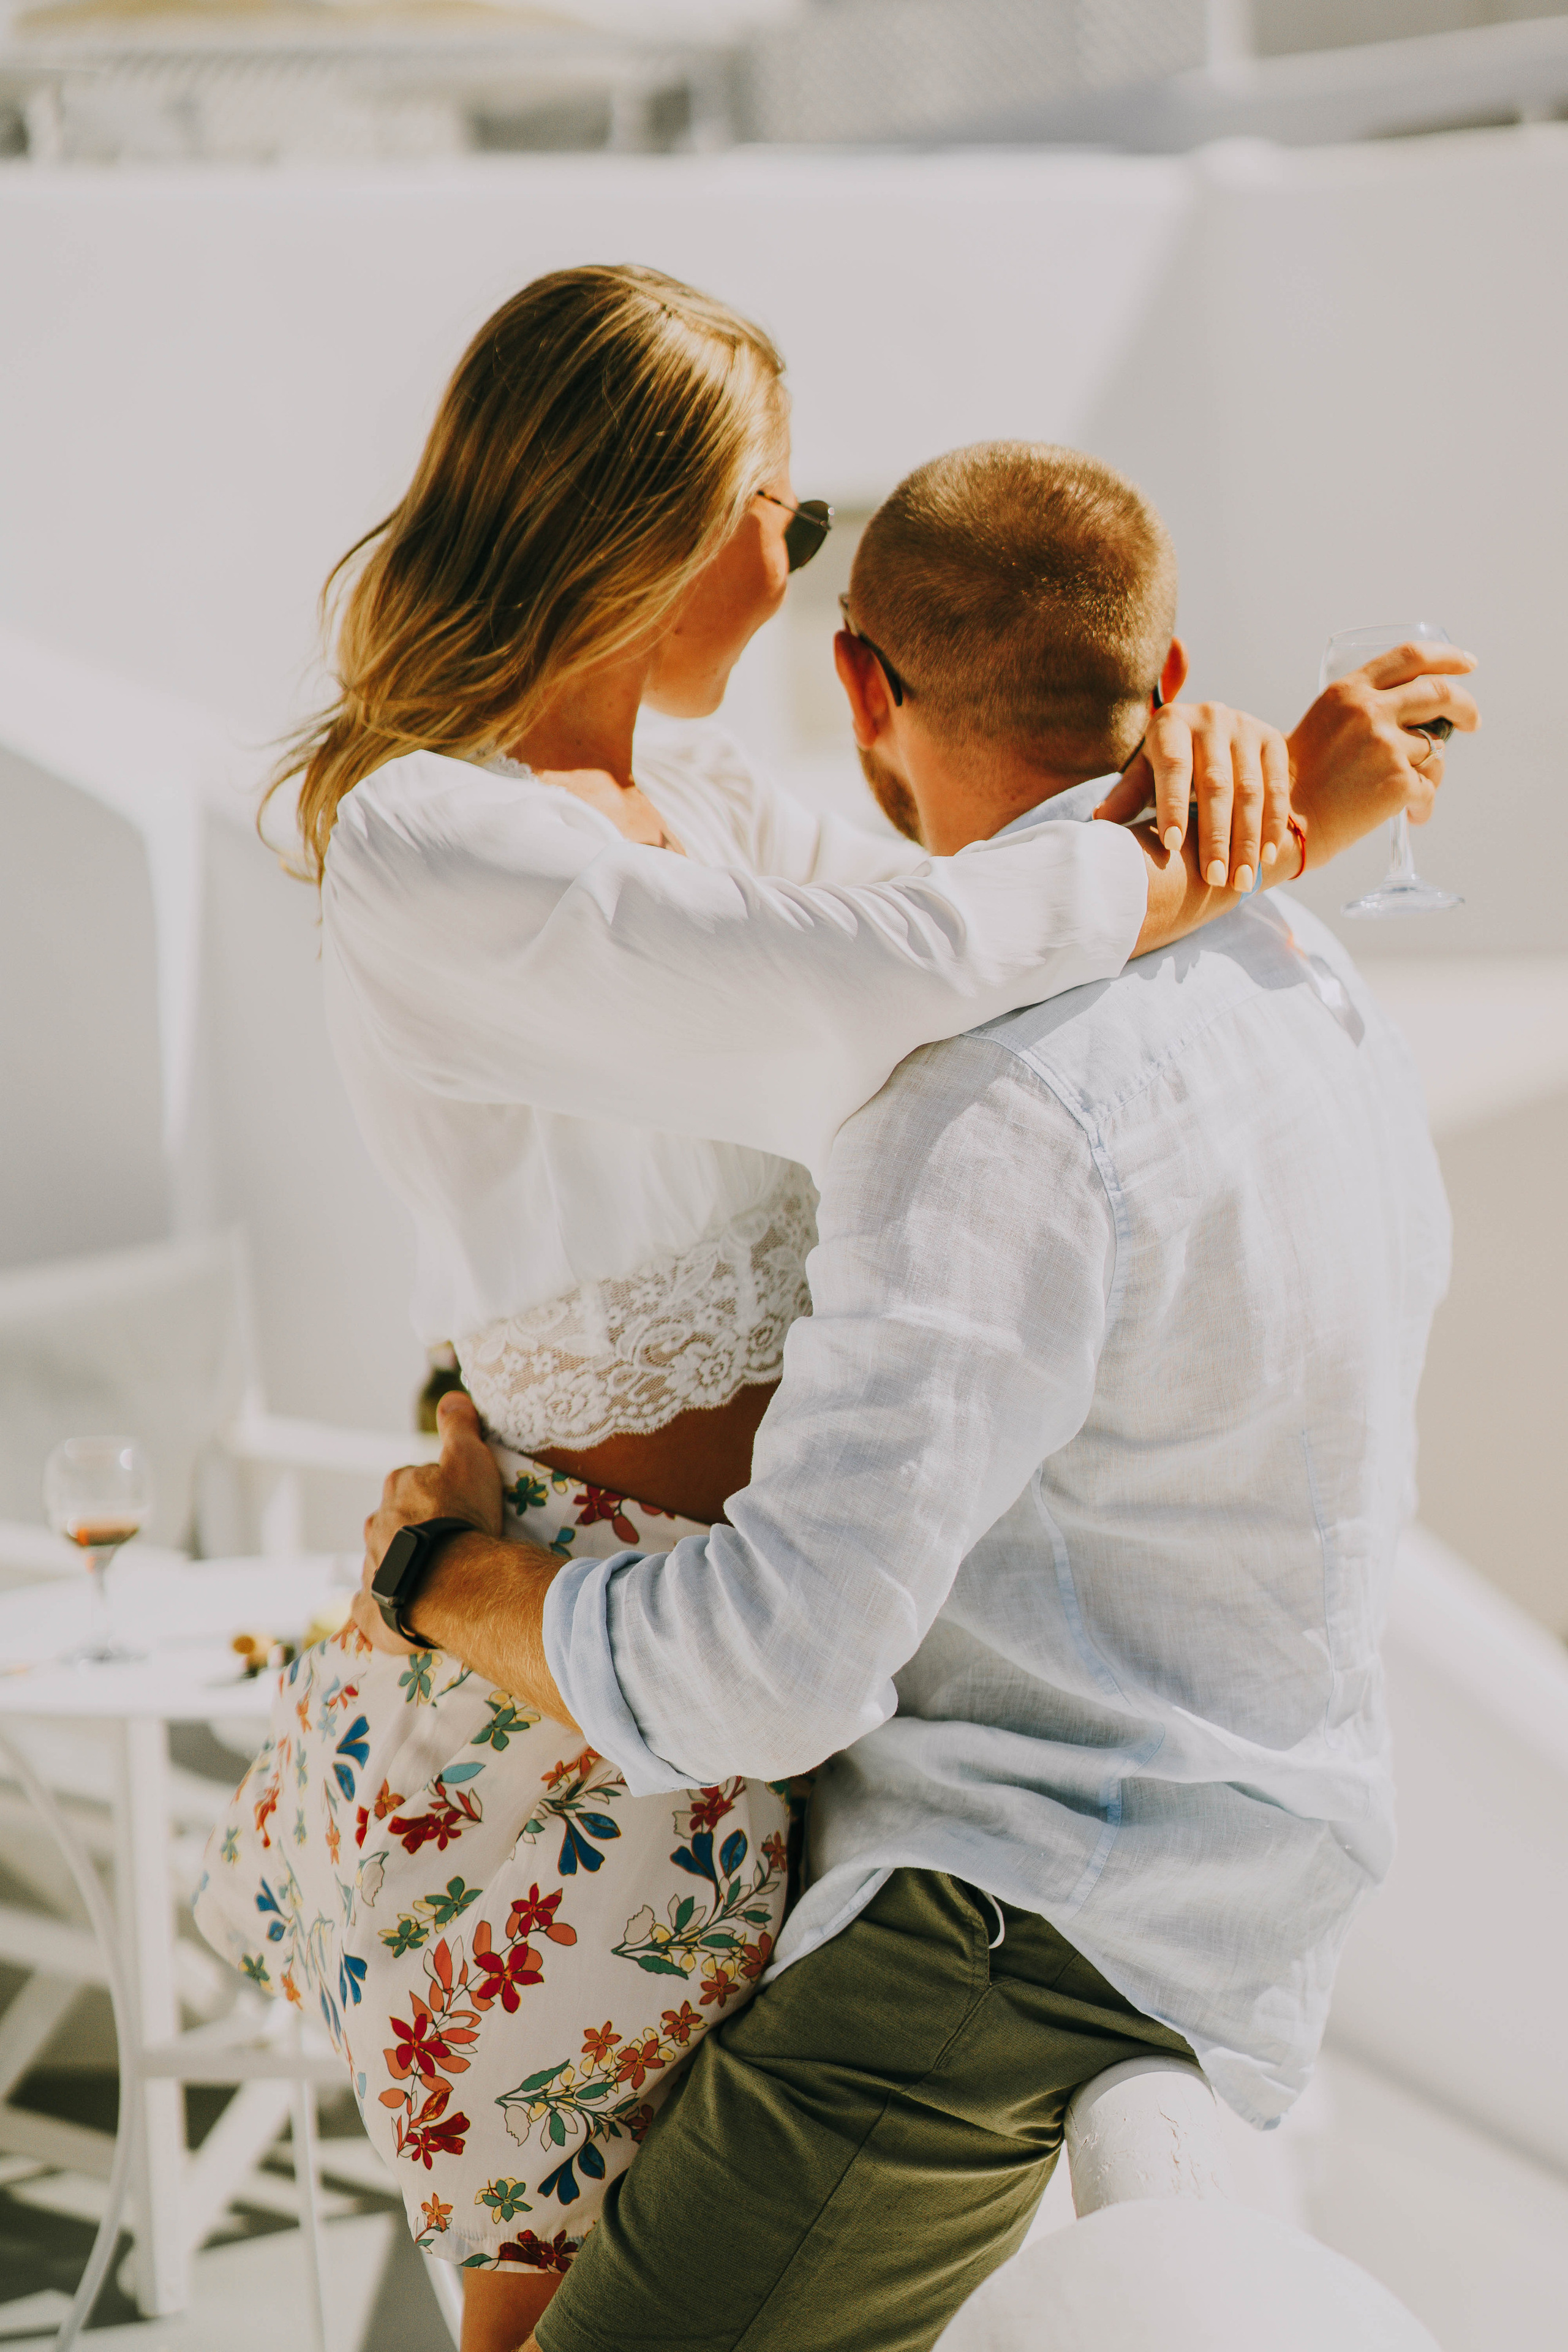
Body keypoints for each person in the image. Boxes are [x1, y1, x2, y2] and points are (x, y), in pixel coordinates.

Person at [192, 260, 1469, 2352]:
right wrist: (1244, 833)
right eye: (770, 508)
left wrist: (1188, 768)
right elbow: (864, 995)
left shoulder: (715, 814)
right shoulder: (435, 836)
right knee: (531, 2323)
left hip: (755, 1688)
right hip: (560, 1672)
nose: (790, 564)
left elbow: (959, 921)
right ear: (636, 512)